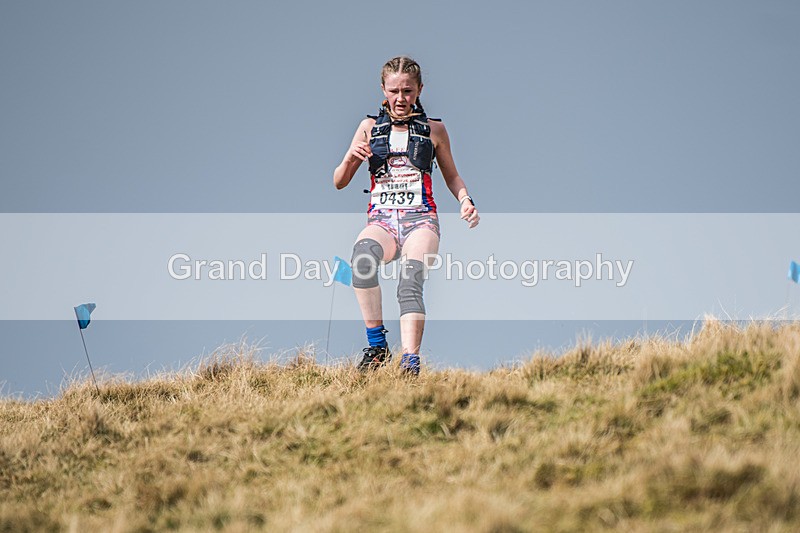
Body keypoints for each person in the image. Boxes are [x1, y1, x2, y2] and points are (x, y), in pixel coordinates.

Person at [333, 56, 479, 375]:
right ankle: (377, 347)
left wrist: (465, 200)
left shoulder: (435, 130)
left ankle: (410, 362)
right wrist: (349, 159)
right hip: (382, 222)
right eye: (394, 90)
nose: (401, 99)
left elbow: (452, 176)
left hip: (421, 221)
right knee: (361, 261)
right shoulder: (368, 128)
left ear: (419, 90)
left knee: (409, 283)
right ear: (383, 89)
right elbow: (339, 182)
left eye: (408, 91)